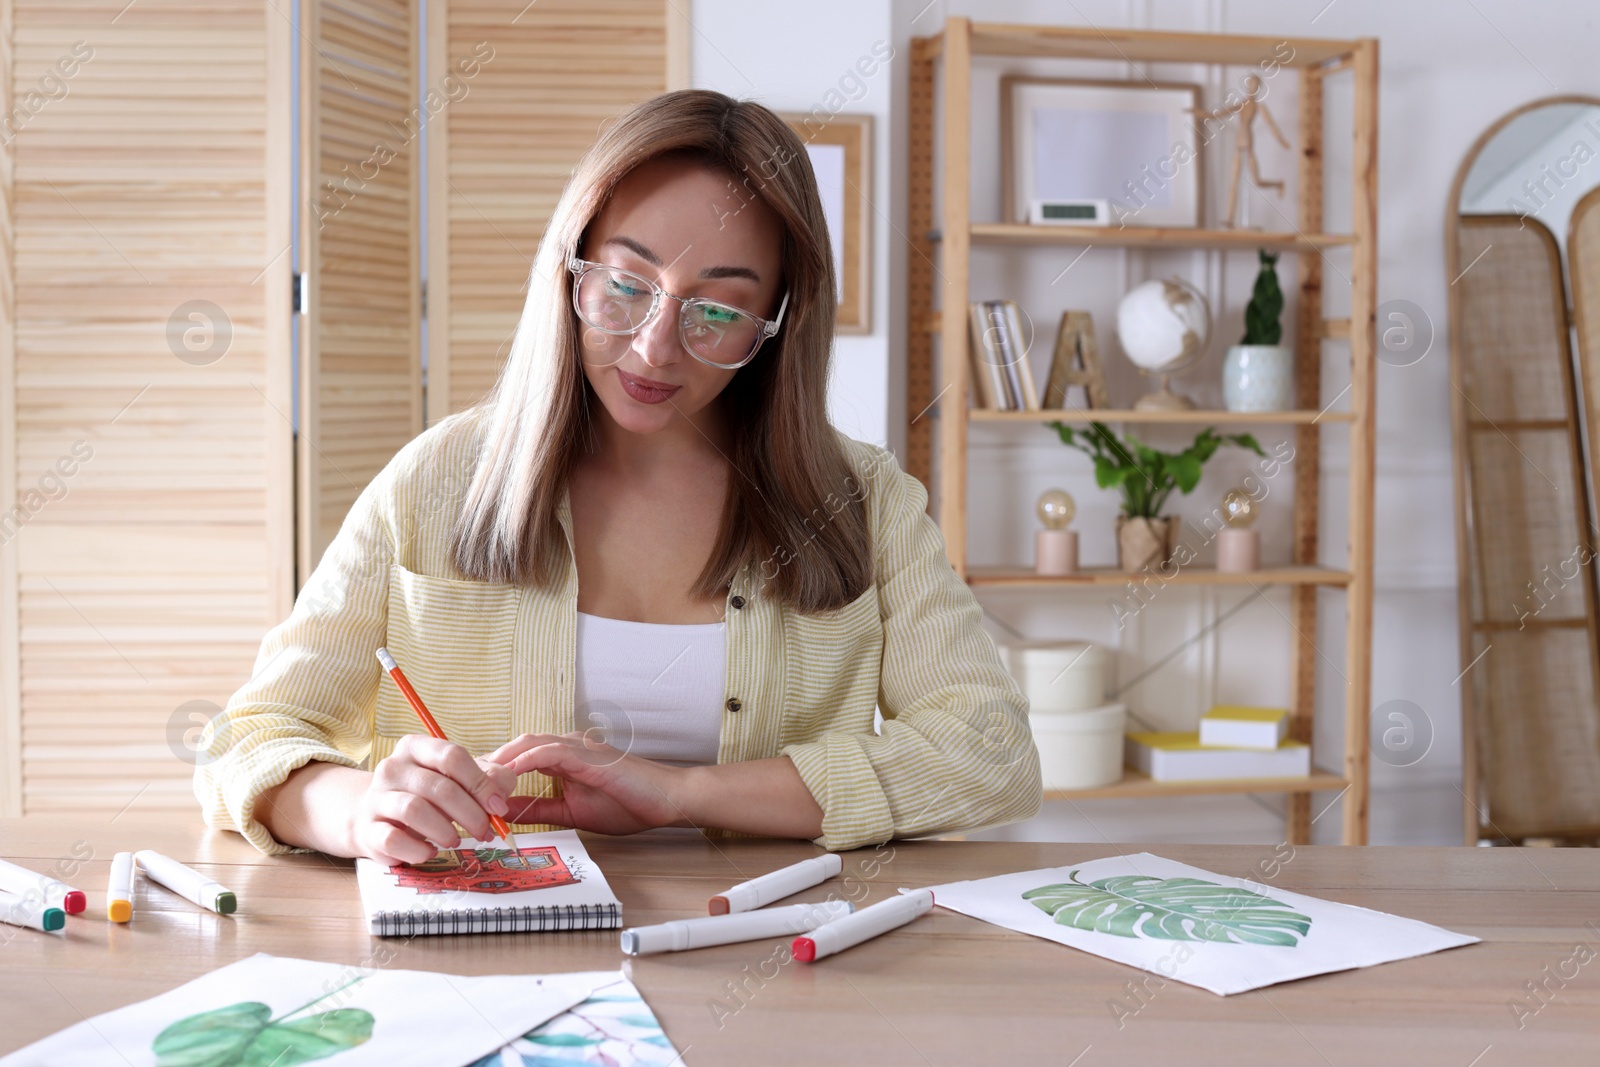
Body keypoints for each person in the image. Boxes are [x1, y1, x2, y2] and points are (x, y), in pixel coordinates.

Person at [194, 89, 1040, 864]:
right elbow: (249, 738)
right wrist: (353, 810)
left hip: (768, 961)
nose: (654, 346)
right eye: (626, 286)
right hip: (480, 959)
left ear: (780, 322)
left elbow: (990, 753)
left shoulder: (864, 500)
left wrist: (679, 793)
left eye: (717, 310)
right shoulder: (437, 480)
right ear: (570, 270)